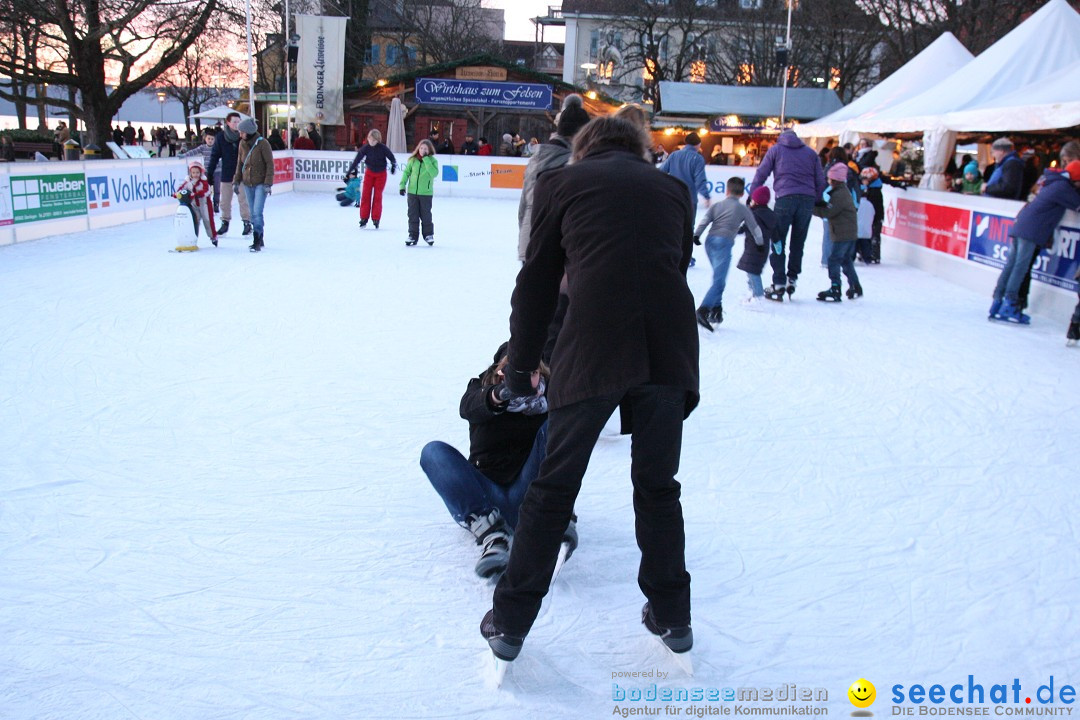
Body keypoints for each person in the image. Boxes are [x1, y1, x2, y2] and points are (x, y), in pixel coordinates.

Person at [480, 114, 699, 667]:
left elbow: (534, 286)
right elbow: (674, 265)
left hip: (594, 345)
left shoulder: (563, 183)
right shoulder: (674, 188)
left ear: (585, 150)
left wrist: (521, 366)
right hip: (668, 349)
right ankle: (672, 614)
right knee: (657, 487)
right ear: (640, 148)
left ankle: (509, 621)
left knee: (553, 490)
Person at [420, 343, 577, 578]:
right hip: (487, 497)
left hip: (530, 496)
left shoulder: (552, 395)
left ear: (540, 372)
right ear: (500, 371)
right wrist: (501, 394)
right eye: (514, 371)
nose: (524, 379)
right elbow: (469, 407)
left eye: (531, 372)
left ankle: (557, 513)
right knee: (433, 452)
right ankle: (492, 534)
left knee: (559, 425)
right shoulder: (480, 390)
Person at [988, 160, 1080, 324]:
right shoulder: (1063, 188)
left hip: (1022, 225)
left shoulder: (1055, 182)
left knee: (1011, 265)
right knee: (1019, 267)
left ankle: (997, 300)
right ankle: (1009, 302)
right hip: (1032, 230)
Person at [750, 128, 828, 301]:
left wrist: (753, 195)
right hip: (806, 200)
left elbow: (762, 172)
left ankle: (778, 282)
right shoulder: (810, 153)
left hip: (785, 198)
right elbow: (820, 180)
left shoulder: (776, 150)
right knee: (798, 241)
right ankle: (792, 278)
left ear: (781, 138)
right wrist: (815, 197)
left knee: (778, 240)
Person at [518, 94, 590, 261]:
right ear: (578, 136)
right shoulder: (570, 163)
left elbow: (523, 207)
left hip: (531, 240)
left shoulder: (538, 158)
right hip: (552, 248)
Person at [692, 176, 762, 330]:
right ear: (742, 194)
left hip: (710, 243)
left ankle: (716, 310)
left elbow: (705, 220)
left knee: (719, 278)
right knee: (719, 281)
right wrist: (760, 243)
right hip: (724, 244)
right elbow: (754, 227)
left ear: (726, 191)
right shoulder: (743, 208)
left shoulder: (717, 205)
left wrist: (696, 235)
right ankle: (704, 309)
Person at [660, 132, 711, 269]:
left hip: (673, 197)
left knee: (674, 226)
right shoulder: (697, 158)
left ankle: (672, 254)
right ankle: (686, 257)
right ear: (698, 144)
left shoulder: (674, 155)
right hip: (689, 199)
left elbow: (661, 171)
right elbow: (700, 180)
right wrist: (706, 196)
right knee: (688, 229)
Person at [813, 162, 862, 302]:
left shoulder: (840, 194)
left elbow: (830, 212)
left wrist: (812, 209)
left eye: (829, 179)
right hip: (847, 232)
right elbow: (831, 207)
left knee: (834, 260)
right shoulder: (840, 192)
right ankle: (855, 285)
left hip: (843, 233)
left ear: (834, 180)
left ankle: (835, 288)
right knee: (845, 260)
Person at [233, 117, 274, 253]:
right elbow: (240, 163)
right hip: (247, 183)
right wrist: (236, 180)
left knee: (257, 213)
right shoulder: (242, 144)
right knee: (252, 213)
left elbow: (269, 164)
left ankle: (257, 239)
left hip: (261, 183)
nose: (240, 134)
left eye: (242, 132)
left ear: (249, 132)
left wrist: (268, 183)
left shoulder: (263, 144)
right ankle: (259, 236)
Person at [208, 112, 252, 237]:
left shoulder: (245, 136)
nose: (237, 124)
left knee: (243, 200)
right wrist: (209, 173)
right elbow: (215, 156)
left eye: (238, 122)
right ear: (227, 123)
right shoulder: (221, 137)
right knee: (225, 201)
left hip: (242, 175)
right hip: (227, 174)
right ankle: (225, 222)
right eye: (234, 122)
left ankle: (247, 223)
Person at [346, 128, 398, 230]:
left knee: (377, 196)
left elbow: (392, 157)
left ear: (378, 140)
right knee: (365, 195)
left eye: (374, 140)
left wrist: (393, 166)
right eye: (370, 139)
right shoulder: (366, 148)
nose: (371, 142)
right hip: (369, 173)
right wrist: (349, 172)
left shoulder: (383, 148)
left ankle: (376, 218)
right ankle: (364, 218)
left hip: (381, 174)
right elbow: (357, 160)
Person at [737, 186, 778, 306]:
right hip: (762, 249)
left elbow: (746, 227)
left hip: (753, 248)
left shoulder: (753, 215)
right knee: (752, 271)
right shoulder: (772, 215)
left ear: (756, 201)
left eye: (753, 200)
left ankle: (758, 297)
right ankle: (752, 292)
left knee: (753, 272)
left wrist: (736, 231)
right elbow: (776, 231)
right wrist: (777, 242)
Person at [399, 138, 438, 246]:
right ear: (418, 149)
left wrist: (426, 159)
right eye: (421, 148)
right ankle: (412, 235)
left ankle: (428, 235)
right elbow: (406, 173)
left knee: (426, 215)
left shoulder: (433, 161)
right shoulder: (412, 160)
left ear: (429, 150)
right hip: (412, 193)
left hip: (426, 193)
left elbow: (434, 173)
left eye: (425, 148)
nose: (423, 150)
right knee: (412, 215)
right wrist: (402, 186)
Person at [174, 161, 217, 247]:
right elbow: (181, 188)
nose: (195, 174)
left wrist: (197, 194)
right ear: (190, 173)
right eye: (193, 172)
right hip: (193, 204)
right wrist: (177, 194)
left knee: (207, 220)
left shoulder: (203, 181)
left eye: (197, 172)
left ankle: (213, 236)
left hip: (204, 203)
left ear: (201, 172)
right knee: (194, 220)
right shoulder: (188, 181)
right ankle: (193, 237)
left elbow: (206, 190)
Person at [181, 129, 221, 209]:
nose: (210, 141)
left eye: (212, 139)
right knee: (206, 188)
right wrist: (184, 155)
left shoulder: (217, 147)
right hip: (206, 171)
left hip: (217, 171)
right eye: (208, 139)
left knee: (217, 188)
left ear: (215, 140)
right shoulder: (203, 148)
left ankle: (216, 203)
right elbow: (194, 151)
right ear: (205, 139)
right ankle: (207, 202)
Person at [859, 166, 885, 264]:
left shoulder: (875, 192)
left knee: (874, 235)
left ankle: (874, 254)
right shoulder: (866, 189)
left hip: (875, 217)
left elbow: (876, 207)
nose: (863, 182)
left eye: (865, 180)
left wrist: (875, 218)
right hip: (869, 217)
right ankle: (865, 252)